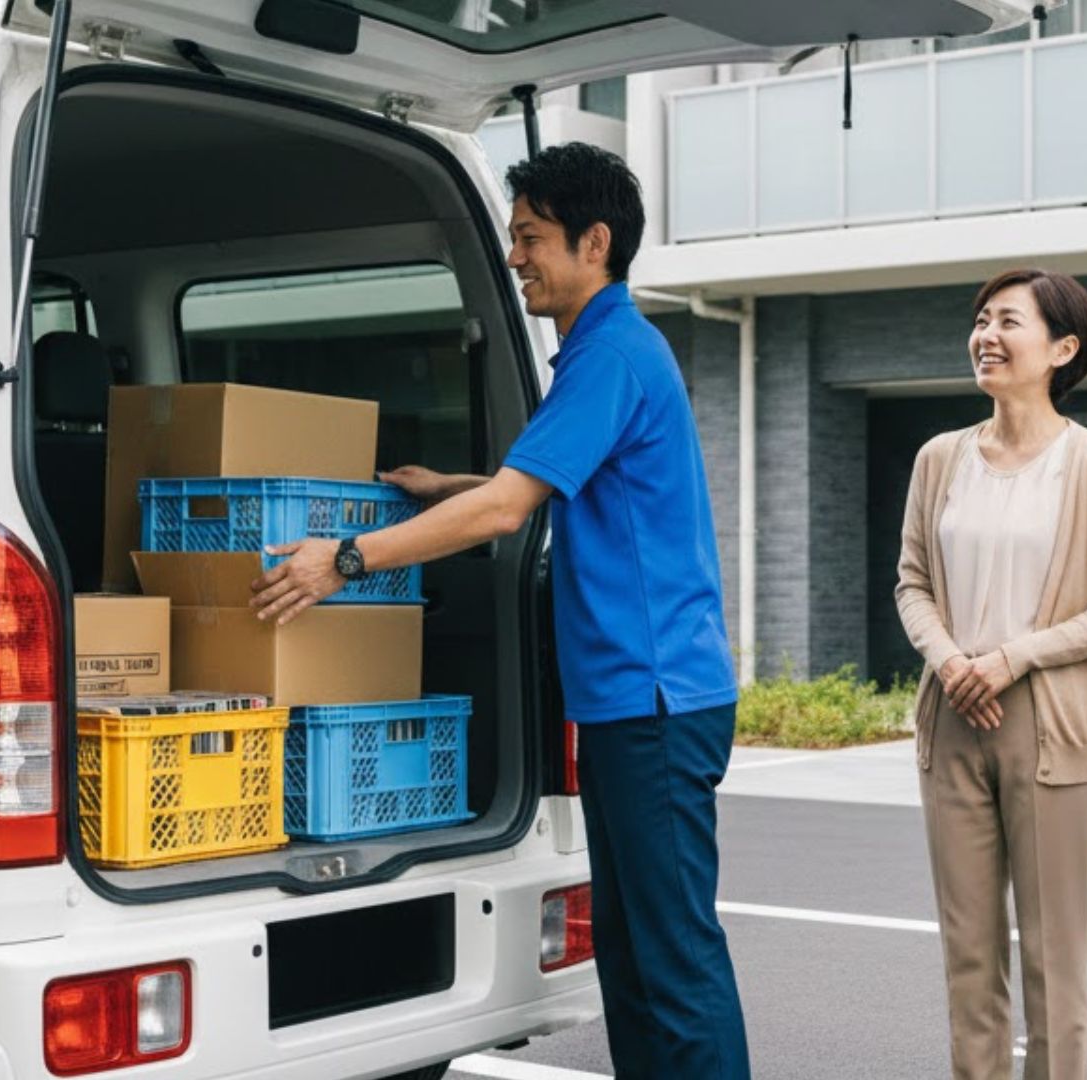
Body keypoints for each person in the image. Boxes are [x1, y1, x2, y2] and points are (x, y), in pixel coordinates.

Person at [248, 142, 750, 1080]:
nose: (515, 257)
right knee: (635, 955)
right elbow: (543, 481)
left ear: (594, 243)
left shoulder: (613, 354)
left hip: (655, 702)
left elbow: (509, 510)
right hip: (631, 702)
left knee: (674, 959)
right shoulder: (600, 352)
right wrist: (450, 483)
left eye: (531, 237)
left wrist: (345, 559)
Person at [896, 268, 1087, 1080]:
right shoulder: (940, 459)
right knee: (968, 954)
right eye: (981, 320)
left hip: (1049, 726)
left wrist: (1015, 656)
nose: (987, 336)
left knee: (1055, 956)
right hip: (952, 718)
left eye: (1009, 321)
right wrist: (950, 659)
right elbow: (912, 583)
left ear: (1062, 349)